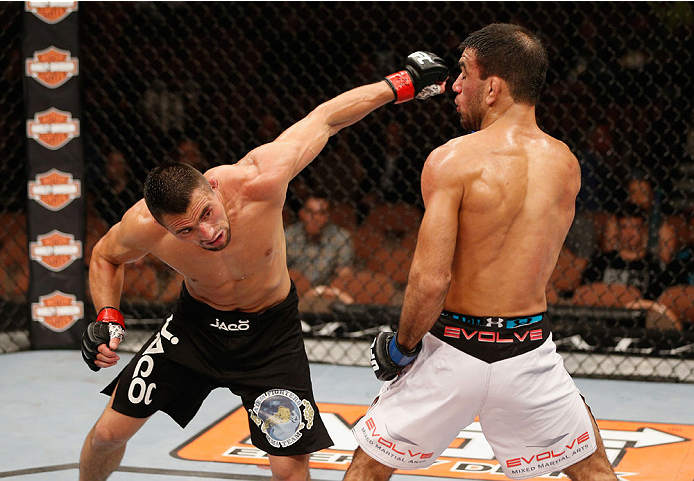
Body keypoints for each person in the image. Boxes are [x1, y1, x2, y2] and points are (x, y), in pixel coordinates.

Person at [78, 52, 448, 481]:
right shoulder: (143, 227)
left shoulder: (260, 180)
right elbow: (105, 256)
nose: (207, 233)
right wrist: (107, 315)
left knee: (290, 472)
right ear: (160, 226)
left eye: (206, 213)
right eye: (186, 231)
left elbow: (326, 118)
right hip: (194, 328)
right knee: (107, 434)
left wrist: (401, 82)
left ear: (212, 186)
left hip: (271, 337)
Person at [344, 24, 617, 481]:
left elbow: (431, 281)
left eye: (463, 73)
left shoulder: (453, 160)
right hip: (528, 351)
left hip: (453, 349)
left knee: (368, 466)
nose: (453, 85)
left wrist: (401, 347)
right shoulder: (566, 163)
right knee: (592, 469)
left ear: (492, 88)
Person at [286, 194, 355, 287]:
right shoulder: (289, 235)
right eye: (310, 212)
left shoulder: (341, 237)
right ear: (301, 213)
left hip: (327, 291)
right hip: (293, 290)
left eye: (322, 213)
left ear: (328, 216)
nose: (316, 218)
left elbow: (345, 273)